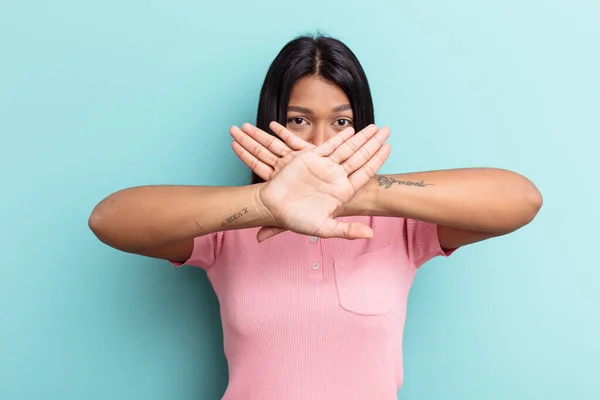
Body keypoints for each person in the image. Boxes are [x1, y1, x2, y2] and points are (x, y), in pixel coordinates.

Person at [88, 34, 543, 399]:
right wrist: (267, 204)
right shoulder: (232, 230)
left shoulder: (402, 228)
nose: (321, 141)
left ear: (361, 125)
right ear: (273, 123)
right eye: (300, 119)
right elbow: (108, 219)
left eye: (341, 122)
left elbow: (521, 198)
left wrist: (364, 195)